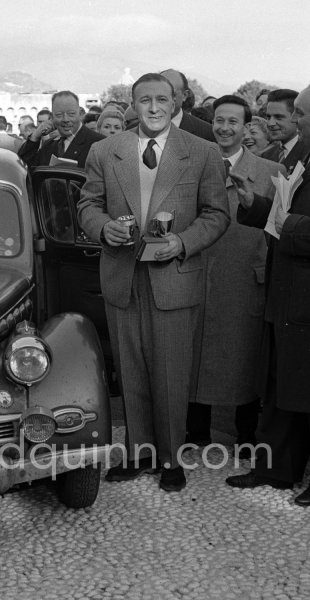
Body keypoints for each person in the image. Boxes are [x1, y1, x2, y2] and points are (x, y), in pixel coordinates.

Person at [77, 73, 230, 492]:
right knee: (129, 370)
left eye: (162, 99)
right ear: (133, 104)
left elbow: (217, 214)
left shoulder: (201, 152)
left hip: (173, 277)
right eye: (145, 100)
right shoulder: (105, 150)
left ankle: (171, 458)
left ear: (177, 101)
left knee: (171, 372)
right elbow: (87, 204)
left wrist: (182, 241)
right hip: (123, 276)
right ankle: (138, 452)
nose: (155, 108)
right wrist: (103, 227)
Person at [225, 85, 310, 506]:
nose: (294, 119)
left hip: (304, 295)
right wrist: (254, 204)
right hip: (287, 293)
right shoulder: (299, 156)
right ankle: (275, 470)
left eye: (300, 113)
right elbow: (280, 215)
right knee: (279, 384)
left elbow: (291, 222)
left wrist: (287, 222)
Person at [188, 95, 286, 450]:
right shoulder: (194, 165)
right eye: (219, 120)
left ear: (247, 127)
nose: (224, 128)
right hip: (199, 273)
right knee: (195, 353)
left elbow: (280, 230)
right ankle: (195, 432)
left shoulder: (271, 172)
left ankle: (246, 436)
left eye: (233, 122)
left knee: (245, 357)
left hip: (245, 279)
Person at [18, 91, 105, 168]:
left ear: (80, 113)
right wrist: (35, 137)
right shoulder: (49, 146)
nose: (65, 119)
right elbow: (23, 167)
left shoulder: (99, 143)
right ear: (52, 117)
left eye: (71, 114)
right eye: (59, 115)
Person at [160, 69, 215, 142]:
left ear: (184, 95)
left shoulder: (207, 133)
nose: (162, 98)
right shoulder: (141, 126)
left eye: (171, 93)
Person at [261, 89, 306, 174]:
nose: (270, 123)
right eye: (268, 117)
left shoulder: (307, 152)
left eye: (278, 117)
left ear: (296, 117)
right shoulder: (266, 155)